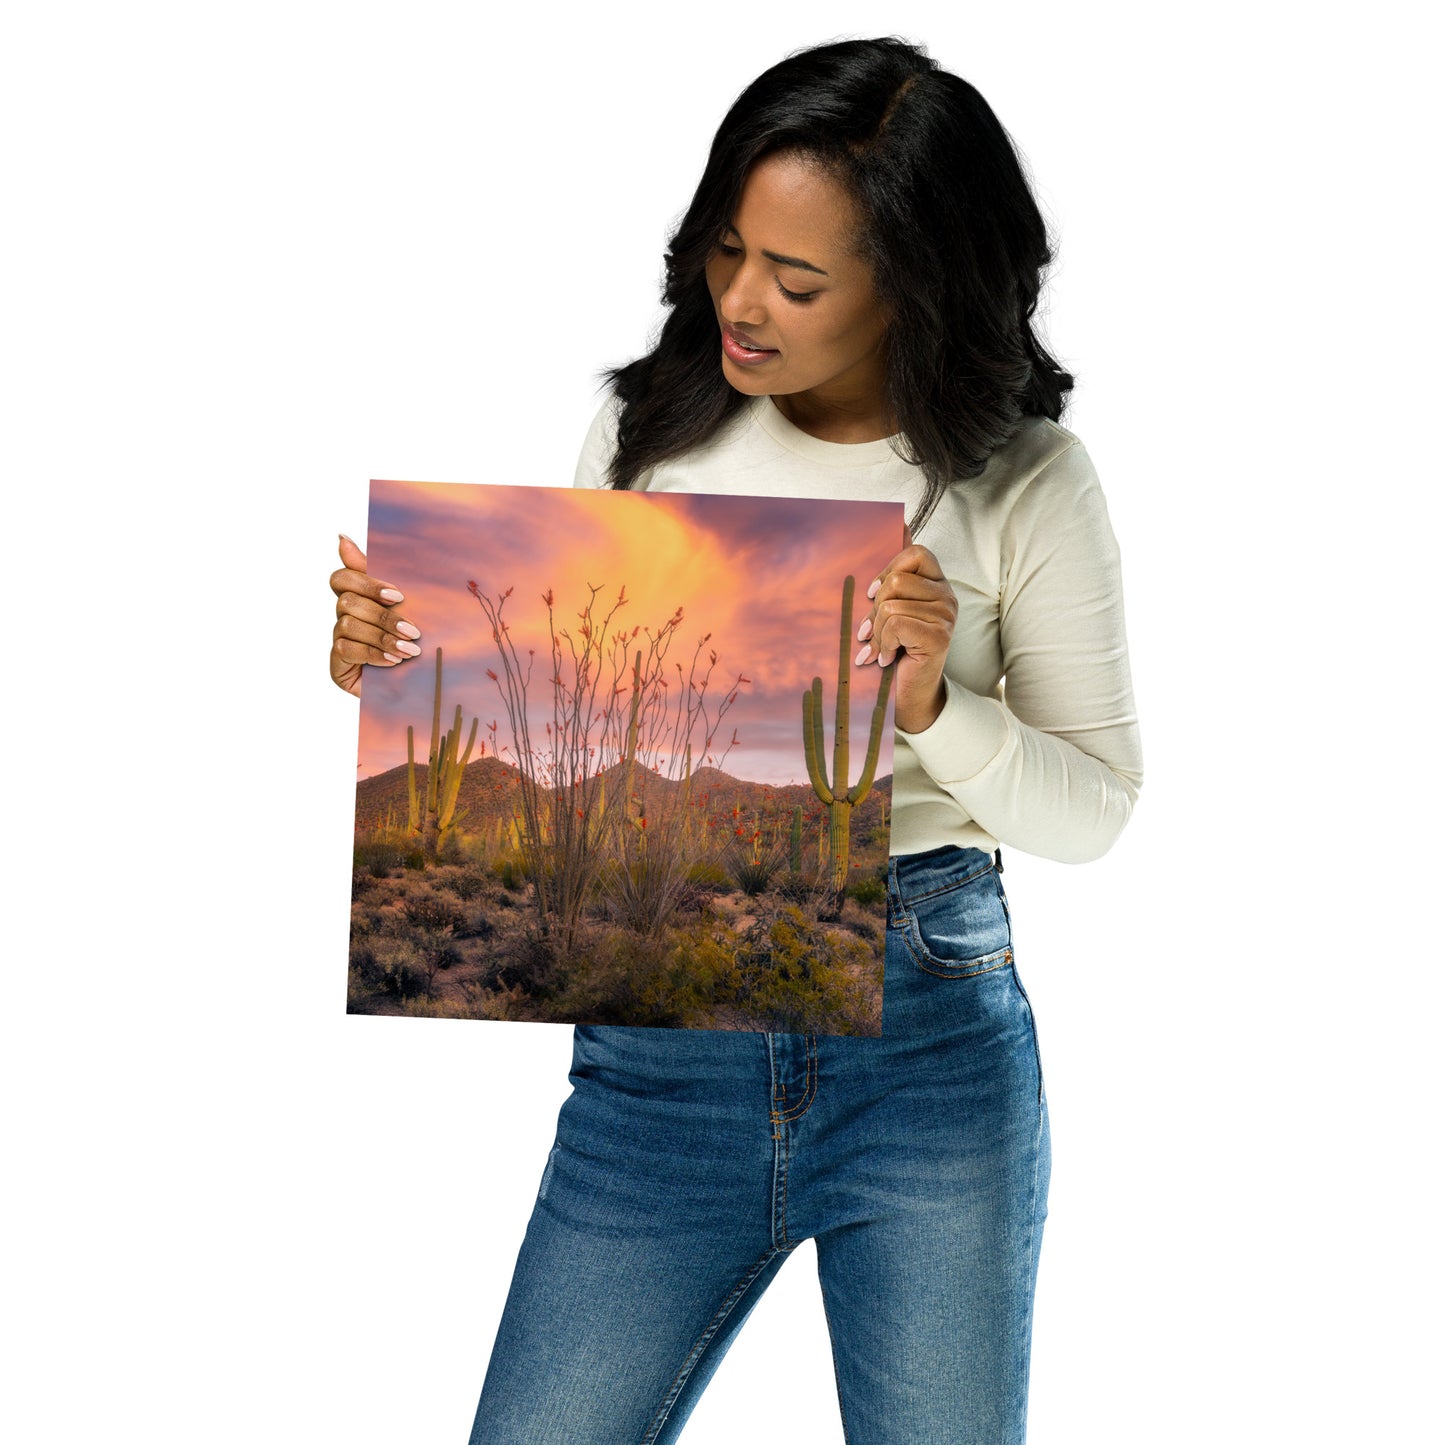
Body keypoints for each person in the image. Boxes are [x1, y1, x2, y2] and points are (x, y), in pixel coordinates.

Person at [330, 36, 1142, 1443]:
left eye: (798, 277)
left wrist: (933, 708)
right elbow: (574, 726)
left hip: (927, 1051)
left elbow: (1093, 812)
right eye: (724, 251)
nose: (740, 302)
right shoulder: (646, 430)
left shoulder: (1025, 480)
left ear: (913, 286)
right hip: (654, 1077)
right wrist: (397, 669)